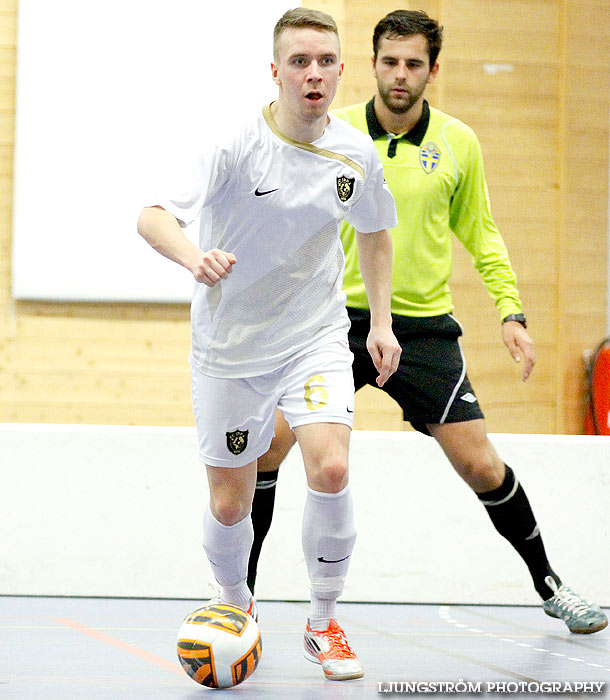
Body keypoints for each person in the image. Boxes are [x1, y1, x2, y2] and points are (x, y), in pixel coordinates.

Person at [248, 9, 608, 635]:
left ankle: (551, 585)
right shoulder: (333, 137)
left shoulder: (458, 143)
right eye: (389, 61)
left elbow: (483, 234)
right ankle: (239, 596)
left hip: (420, 330)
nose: (400, 75)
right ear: (372, 65)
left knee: (481, 465)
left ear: (432, 72)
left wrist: (511, 312)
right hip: (329, 323)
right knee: (268, 449)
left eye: (414, 64)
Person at [137, 7, 401, 681]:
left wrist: (379, 323)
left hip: (314, 336)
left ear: (342, 71)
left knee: (332, 469)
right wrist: (194, 259)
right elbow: (152, 215)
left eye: (325, 62)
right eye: (299, 62)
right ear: (276, 72)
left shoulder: (356, 151)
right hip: (230, 348)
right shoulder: (233, 142)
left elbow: (374, 232)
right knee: (230, 502)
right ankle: (232, 604)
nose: (313, 74)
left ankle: (323, 621)